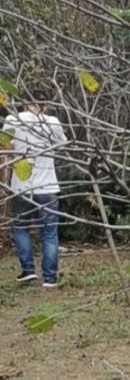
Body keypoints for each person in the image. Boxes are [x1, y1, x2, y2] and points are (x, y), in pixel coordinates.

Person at [2, 102, 67, 287]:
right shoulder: (52, 122)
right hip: (48, 186)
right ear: (45, 106)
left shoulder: (13, 120)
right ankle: (50, 278)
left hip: (22, 186)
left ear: (25, 103)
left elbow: (7, 147)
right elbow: (63, 145)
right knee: (49, 233)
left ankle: (28, 270)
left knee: (20, 228)